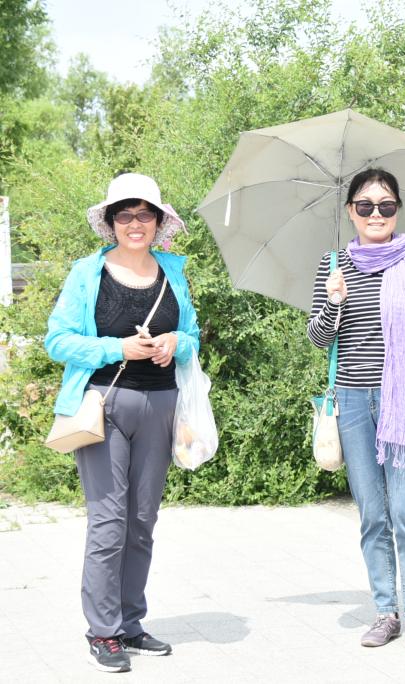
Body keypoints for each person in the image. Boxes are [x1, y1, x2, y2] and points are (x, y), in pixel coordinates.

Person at [45, 173, 199, 673]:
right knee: (109, 522)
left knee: (142, 522)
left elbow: (193, 335)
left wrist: (175, 343)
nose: (135, 223)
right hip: (103, 405)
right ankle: (103, 631)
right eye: (125, 215)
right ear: (111, 223)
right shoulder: (87, 273)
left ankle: (131, 623)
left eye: (144, 214)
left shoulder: (173, 271)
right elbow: (58, 340)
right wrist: (118, 348)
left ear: (158, 222)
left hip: (162, 404)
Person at [306, 167, 405, 654]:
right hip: (354, 402)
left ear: (397, 210)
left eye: (386, 205)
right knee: (373, 514)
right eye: (366, 205)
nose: (376, 213)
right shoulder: (333, 265)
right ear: (350, 211)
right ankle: (385, 612)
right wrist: (333, 302)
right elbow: (317, 338)